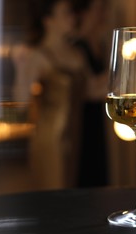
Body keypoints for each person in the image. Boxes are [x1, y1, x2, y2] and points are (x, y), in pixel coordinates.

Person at [12, 0, 87, 189]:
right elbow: (20, 101)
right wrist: (20, 68)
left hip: (77, 131)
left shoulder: (77, 53)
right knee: (55, 190)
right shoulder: (37, 55)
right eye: (65, 13)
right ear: (48, 20)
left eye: (72, 13)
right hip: (51, 137)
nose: (72, 18)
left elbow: (91, 90)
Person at [74, 0, 110, 187]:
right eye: (99, 9)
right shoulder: (78, 45)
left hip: (99, 114)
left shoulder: (101, 43)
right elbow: (88, 90)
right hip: (83, 117)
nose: (103, 14)